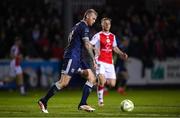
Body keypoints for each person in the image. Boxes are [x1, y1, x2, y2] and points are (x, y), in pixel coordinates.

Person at [38, 9, 98, 113]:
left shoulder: (78, 25)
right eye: (93, 18)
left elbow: (79, 41)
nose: (94, 21)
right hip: (72, 57)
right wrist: (94, 59)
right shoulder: (84, 26)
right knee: (63, 83)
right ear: (87, 16)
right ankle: (44, 101)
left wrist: (92, 47)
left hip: (78, 58)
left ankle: (83, 104)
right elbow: (86, 44)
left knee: (92, 78)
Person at [90, 17, 128, 107]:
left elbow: (114, 47)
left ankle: (97, 80)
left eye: (109, 24)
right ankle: (100, 100)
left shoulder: (112, 36)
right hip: (100, 60)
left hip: (109, 62)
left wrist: (122, 54)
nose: (107, 25)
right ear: (102, 25)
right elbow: (89, 45)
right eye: (105, 23)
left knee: (112, 84)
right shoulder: (98, 35)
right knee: (102, 81)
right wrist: (94, 48)